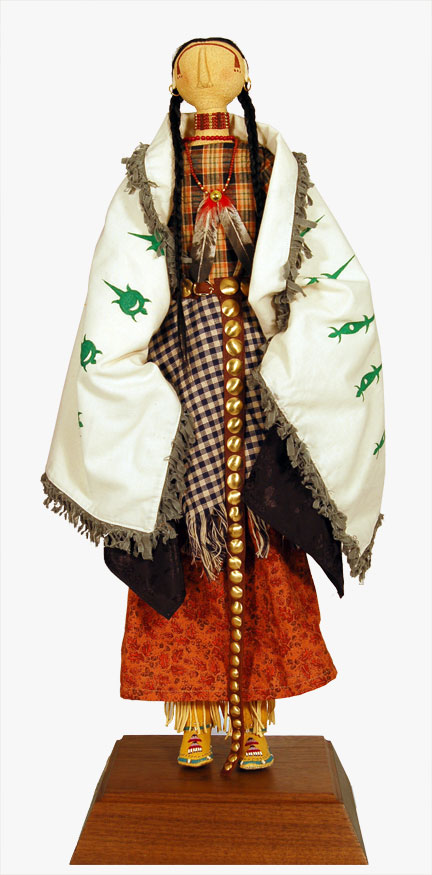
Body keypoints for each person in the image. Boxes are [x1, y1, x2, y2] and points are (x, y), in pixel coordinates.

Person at [41, 37, 385, 775]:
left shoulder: (274, 169)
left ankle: (254, 717)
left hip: (257, 359)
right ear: (173, 79)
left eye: (220, 62)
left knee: (263, 527)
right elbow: (124, 269)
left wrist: (291, 345)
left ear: (243, 77)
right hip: (181, 355)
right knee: (183, 527)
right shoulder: (152, 172)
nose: (205, 72)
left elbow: (325, 267)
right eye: (191, 64)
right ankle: (195, 717)